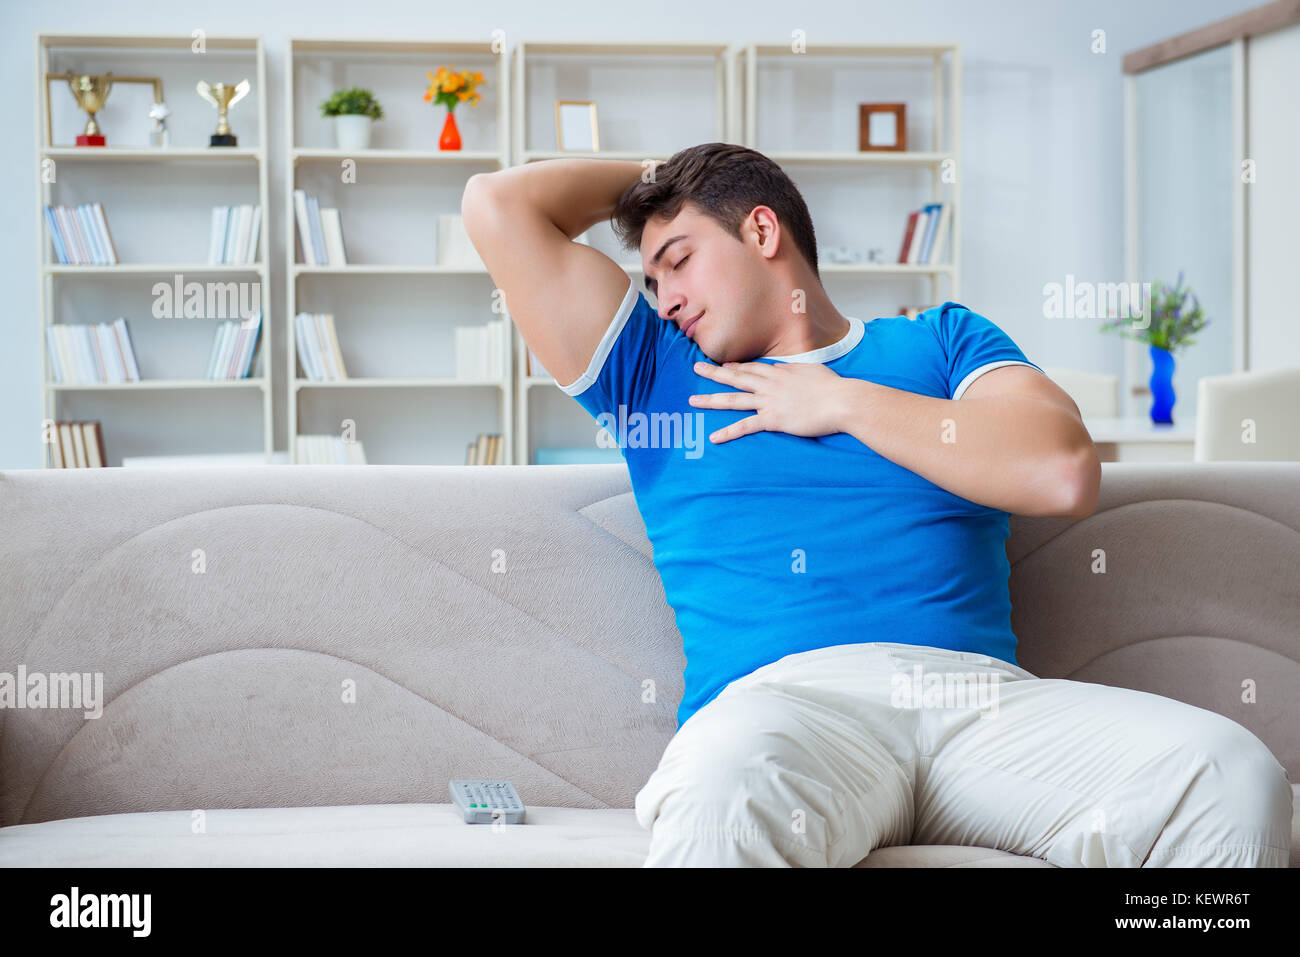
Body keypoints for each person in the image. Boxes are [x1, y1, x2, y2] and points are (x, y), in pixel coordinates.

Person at [460, 143, 1293, 867]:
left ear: (761, 229)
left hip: (984, 708)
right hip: (784, 709)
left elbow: (1061, 471)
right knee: (719, 790)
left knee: (1229, 775)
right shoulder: (653, 376)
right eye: (649, 277)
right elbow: (498, 205)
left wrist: (842, 403)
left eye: (677, 258)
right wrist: (664, 172)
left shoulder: (942, 342)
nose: (664, 295)